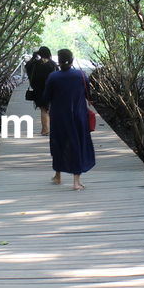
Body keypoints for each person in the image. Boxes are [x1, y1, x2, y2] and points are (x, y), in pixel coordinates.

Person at [41, 48, 95, 190]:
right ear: (72, 60)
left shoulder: (53, 77)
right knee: (77, 144)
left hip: (59, 117)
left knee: (58, 144)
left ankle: (58, 176)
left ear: (58, 61)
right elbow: (89, 94)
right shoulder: (81, 75)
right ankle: (76, 182)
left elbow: (46, 98)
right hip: (79, 115)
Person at [27, 46, 55, 136]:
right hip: (51, 89)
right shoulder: (52, 64)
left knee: (43, 109)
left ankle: (45, 130)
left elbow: (27, 68)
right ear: (49, 54)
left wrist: (33, 58)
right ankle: (49, 129)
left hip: (38, 90)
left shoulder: (35, 64)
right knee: (50, 109)